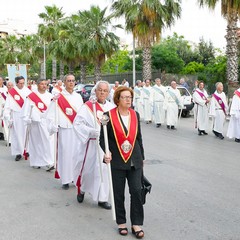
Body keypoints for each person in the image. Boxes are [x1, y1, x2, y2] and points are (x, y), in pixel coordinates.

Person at [99, 86, 145, 238]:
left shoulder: (135, 114)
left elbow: (139, 138)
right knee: (119, 193)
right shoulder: (108, 116)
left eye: (130, 97)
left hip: (135, 160)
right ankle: (121, 222)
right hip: (117, 161)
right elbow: (103, 139)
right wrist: (107, 152)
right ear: (117, 99)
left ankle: (136, 223)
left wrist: (142, 157)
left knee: (136, 191)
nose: (128, 100)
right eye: (125, 97)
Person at [73, 80, 115, 209]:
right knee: (88, 170)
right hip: (91, 144)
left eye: (105, 90)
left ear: (108, 93)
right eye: (100, 90)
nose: (102, 92)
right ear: (95, 91)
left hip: (106, 145)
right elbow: (77, 123)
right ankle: (82, 189)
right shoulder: (88, 106)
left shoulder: (112, 108)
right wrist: (91, 131)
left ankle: (102, 198)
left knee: (104, 171)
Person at [46, 74, 83, 189]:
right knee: (65, 154)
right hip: (65, 129)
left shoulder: (78, 97)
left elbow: (82, 114)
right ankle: (66, 179)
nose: (71, 83)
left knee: (76, 154)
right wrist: (53, 126)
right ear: (64, 82)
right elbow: (50, 115)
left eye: (72, 81)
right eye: (68, 81)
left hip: (76, 130)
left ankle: (75, 177)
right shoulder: (58, 97)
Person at [22, 79, 54, 169]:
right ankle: (36, 161)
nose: (44, 86)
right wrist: (27, 119)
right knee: (36, 142)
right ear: (37, 85)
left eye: (45, 84)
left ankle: (49, 161)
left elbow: (52, 110)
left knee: (48, 141)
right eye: (42, 84)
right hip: (35, 122)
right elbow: (26, 109)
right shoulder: (32, 96)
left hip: (47, 122)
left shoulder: (50, 96)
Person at [3, 76, 31, 161]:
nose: (22, 85)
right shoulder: (12, 92)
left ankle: (27, 150)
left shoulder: (28, 91)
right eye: (20, 83)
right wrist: (7, 117)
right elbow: (7, 106)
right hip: (16, 115)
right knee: (17, 134)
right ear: (16, 83)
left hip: (26, 115)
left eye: (23, 83)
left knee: (26, 134)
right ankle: (18, 152)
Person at [0, 76, 8, 140]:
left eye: (0, 80)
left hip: (4, 106)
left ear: (3, 81)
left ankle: (4, 135)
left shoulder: (6, 88)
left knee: (4, 120)